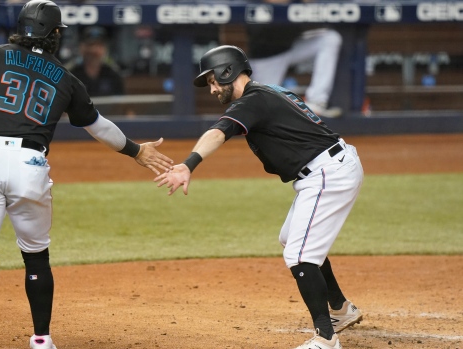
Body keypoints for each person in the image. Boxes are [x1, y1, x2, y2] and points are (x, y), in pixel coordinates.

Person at [0, 1, 173, 349]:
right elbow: (98, 127)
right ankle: (41, 339)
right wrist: (136, 150)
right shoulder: (67, 78)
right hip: (30, 166)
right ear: (53, 35)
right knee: (36, 256)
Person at [155, 45, 363, 349]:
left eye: (213, 80)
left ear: (228, 72)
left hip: (327, 172)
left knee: (299, 255)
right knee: (293, 239)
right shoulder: (267, 92)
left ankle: (326, 339)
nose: (212, 89)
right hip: (331, 166)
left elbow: (218, 132)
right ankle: (340, 309)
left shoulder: (253, 99)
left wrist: (188, 164)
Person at [247, 18, 342, 118]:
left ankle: (317, 101)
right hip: (266, 57)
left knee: (329, 39)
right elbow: (274, 1)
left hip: (290, 47)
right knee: (266, 110)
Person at [69, 26, 125, 97]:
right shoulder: (71, 75)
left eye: (99, 45)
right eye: (90, 45)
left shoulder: (113, 75)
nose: (94, 50)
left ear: (105, 49)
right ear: (81, 48)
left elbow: (120, 103)